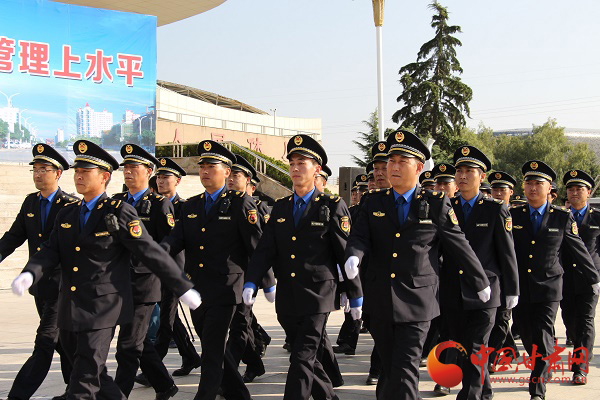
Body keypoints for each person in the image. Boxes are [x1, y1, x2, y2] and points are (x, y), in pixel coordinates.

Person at [10, 140, 200, 400]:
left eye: (85, 172)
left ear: (104, 177)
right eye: (77, 171)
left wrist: (181, 285)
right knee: (95, 371)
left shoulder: (118, 212)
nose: (78, 176)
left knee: (85, 380)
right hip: (71, 305)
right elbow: (49, 249)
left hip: (103, 308)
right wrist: (31, 272)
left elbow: (150, 250)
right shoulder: (67, 213)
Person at [344, 129, 491, 400]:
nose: (394, 167)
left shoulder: (435, 203)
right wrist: (353, 255)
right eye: (391, 161)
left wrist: (480, 280)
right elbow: (359, 236)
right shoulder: (373, 201)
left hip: (418, 303)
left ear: (419, 167)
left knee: (404, 370)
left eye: (402, 162)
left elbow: (458, 244)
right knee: (390, 369)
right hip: (380, 301)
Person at [243, 134, 362, 400]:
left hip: (319, 296)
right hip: (288, 297)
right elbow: (265, 249)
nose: (295, 168)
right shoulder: (282, 207)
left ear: (317, 169)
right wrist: (253, 280)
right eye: (292, 163)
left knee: (300, 359)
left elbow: (345, 253)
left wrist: (355, 295)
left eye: (302, 163)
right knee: (308, 359)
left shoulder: (332, 206)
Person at [161, 140, 261, 400]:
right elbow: (175, 240)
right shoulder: (191, 206)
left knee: (213, 351)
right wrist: (153, 255)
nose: (205, 171)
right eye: (202, 166)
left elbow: (256, 247)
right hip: (196, 290)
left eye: (211, 166)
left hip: (226, 289)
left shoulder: (241, 204)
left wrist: (261, 281)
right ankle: (239, 394)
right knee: (211, 345)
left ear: (227, 172)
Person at [510, 160, 600, 400]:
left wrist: (594, 279)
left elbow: (579, 250)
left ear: (549, 187)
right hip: (520, 287)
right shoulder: (512, 214)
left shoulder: (561, 217)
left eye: (537, 183)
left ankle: (537, 390)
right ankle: (543, 360)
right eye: (528, 183)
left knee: (542, 333)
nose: (531, 188)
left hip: (549, 287)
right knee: (528, 334)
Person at [441, 146, 519, 400]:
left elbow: (507, 253)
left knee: (476, 348)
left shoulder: (495, 209)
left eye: (469, 171)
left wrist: (512, 290)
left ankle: (470, 396)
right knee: (463, 348)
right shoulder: (445, 206)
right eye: (459, 171)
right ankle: (484, 392)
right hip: (453, 290)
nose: (462, 176)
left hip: (486, 292)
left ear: (481, 176)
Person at [1, 144, 76, 400]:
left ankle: (17, 396)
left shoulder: (71, 206)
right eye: (35, 169)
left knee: (44, 341)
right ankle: (77, 390)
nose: (38, 174)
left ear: (58, 174)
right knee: (62, 343)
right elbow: (13, 237)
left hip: (62, 288)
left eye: (44, 169)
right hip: (39, 287)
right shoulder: (30, 202)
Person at [111, 144, 181, 399]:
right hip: (117, 283)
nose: (128, 172)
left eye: (134, 168)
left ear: (148, 171)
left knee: (128, 347)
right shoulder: (115, 202)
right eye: (125, 168)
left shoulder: (160, 205)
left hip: (144, 284)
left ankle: (118, 394)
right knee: (139, 344)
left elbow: (172, 245)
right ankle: (165, 385)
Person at [140, 157, 201, 378]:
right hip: (155, 269)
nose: (161, 181)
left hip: (176, 270)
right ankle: (191, 357)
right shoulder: (151, 203)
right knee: (172, 318)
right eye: (159, 177)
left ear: (177, 181)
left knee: (165, 320)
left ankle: (152, 372)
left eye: (166, 177)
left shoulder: (185, 207)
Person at [225, 154, 275, 384]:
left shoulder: (248, 205)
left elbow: (257, 245)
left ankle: (227, 376)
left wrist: (264, 280)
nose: (231, 179)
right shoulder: (224, 202)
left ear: (248, 181)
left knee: (238, 327)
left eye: (237, 175)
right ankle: (255, 363)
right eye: (230, 174)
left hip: (245, 277)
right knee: (239, 323)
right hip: (225, 277)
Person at [561, 169, 600, 385]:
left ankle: (580, 368)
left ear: (589, 192)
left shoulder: (597, 218)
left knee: (586, 321)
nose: (574, 193)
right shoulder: (559, 216)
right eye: (571, 189)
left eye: (579, 189)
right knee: (570, 321)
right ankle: (579, 346)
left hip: (589, 279)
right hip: (564, 278)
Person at [487, 171, 520, 371]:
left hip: (514, 275)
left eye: (502, 190)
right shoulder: (488, 211)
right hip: (493, 278)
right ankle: (493, 356)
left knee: (503, 320)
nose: (498, 193)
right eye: (495, 189)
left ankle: (502, 350)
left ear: (511, 192)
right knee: (499, 320)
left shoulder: (517, 214)